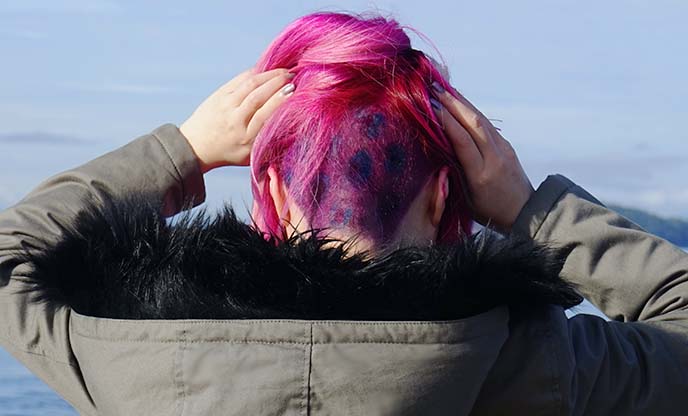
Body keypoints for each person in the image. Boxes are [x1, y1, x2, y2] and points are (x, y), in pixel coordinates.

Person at [1, 11, 687, 416]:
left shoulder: (132, 354)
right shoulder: (530, 358)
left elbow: (9, 258)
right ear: (445, 195)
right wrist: (531, 208)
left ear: (270, 186)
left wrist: (182, 153)